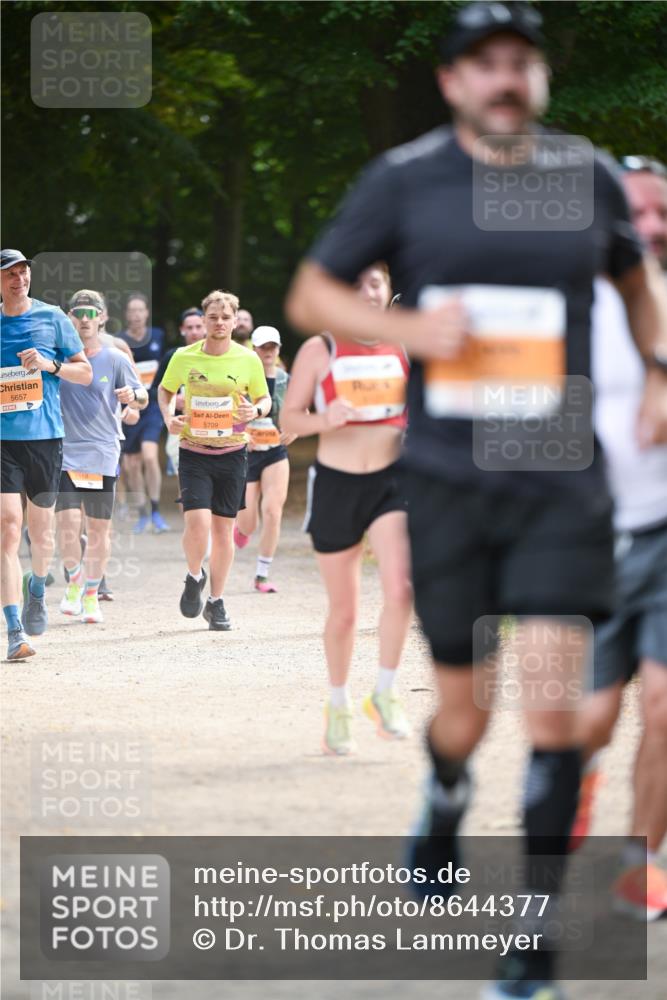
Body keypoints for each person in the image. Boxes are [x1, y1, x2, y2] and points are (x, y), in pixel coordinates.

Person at [285, 4, 667, 997]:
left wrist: (658, 367)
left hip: (558, 480)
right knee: (464, 706)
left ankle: (532, 939)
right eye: (483, 64)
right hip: (450, 483)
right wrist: (411, 331)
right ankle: (446, 789)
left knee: (555, 717)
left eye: (521, 64)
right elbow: (313, 294)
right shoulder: (407, 179)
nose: (505, 78)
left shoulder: (582, 175)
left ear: (537, 81)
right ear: (452, 82)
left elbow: (634, 283)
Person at [572, 156, 667, 919]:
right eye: (635, 212)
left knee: (664, 707)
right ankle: (581, 778)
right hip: (588, 538)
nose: (651, 226)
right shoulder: (567, 309)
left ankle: (640, 862)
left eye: (661, 212)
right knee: (592, 719)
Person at [282, 264, 412, 754]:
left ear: (387, 291)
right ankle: (338, 703)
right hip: (337, 485)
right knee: (345, 613)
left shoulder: (403, 344)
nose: (366, 293)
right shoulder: (322, 348)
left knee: (402, 588)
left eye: (375, 283)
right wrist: (323, 418)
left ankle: (384, 691)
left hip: (391, 483)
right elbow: (288, 418)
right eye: (355, 286)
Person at [157, 290, 270, 630]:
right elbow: (165, 391)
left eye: (225, 318)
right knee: (198, 524)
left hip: (233, 453)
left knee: (224, 530)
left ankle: (216, 602)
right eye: (213, 317)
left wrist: (256, 410)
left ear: (235, 321)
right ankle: (194, 576)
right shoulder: (184, 356)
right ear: (203, 321)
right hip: (193, 451)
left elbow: (263, 398)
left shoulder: (248, 359)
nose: (219, 323)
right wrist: (168, 418)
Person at [1, 249, 92, 661]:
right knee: (7, 528)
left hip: (44, 439)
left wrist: (49, 365)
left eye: (23, 272)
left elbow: (85, 373)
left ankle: (37, 587)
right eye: (9, 274)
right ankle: (14, 630)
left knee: (41, 534)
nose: (18, 279)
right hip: (3, 440)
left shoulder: (53, 317)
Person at [56, 290, 147, 623]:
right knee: (66, 526)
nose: (84, 319)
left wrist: (132, 396)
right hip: (65, 451)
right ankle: (74, 583)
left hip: (103, 452)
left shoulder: (115, 357)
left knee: (98, 530)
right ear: (69, 318)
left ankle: (92, 592)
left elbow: (142, 398)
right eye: (78, 312)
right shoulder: (58, 357)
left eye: (91, 313)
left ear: (103, 318)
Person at [234, 325, 296, 592]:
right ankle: (242, 529)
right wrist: (241, 433)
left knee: (272, 511)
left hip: (275, 453)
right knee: (249, 522)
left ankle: (262, 575)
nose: (268, 351)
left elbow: (300, 409)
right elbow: (229, 410)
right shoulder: (242, 377)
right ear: (254, 349)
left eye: (273, 347)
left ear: (279, 349)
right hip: (247, 455)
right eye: (263, 347)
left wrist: (295, 428)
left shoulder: (285, 379)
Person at [117, 292, 169, 533]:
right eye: (132, 311)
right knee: (132, 464)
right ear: (127, 315)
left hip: (152, 406)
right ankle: (142, 513)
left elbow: (167, 368)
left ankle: (156, 510)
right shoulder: (120, 341)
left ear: (146, 313)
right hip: (130, 405)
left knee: (150, 456)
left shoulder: (158, 336)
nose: (136, 315)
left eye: (140, 310)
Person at [154, 307, 206, 477]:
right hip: (181, 427)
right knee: (185, 484)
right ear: (182, 330)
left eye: (198, 327)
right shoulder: (173, 356)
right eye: (189, 328)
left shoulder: (219, 356)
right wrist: (174, 399)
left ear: (206, 326)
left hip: (213, 426)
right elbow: (155, 390)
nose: (194, 332)